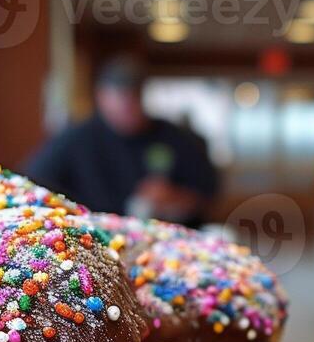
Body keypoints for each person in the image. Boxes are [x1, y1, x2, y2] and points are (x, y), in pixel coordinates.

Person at [25, 55, 219, 226]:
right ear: (101, 96)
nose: (128, 106)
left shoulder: (175, 138)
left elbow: (207, 192)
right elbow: (31, 184)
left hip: (162, 241)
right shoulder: (74, 139)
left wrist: (175, 197)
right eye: (119, 97)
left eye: (134, 97)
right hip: (91, 237)